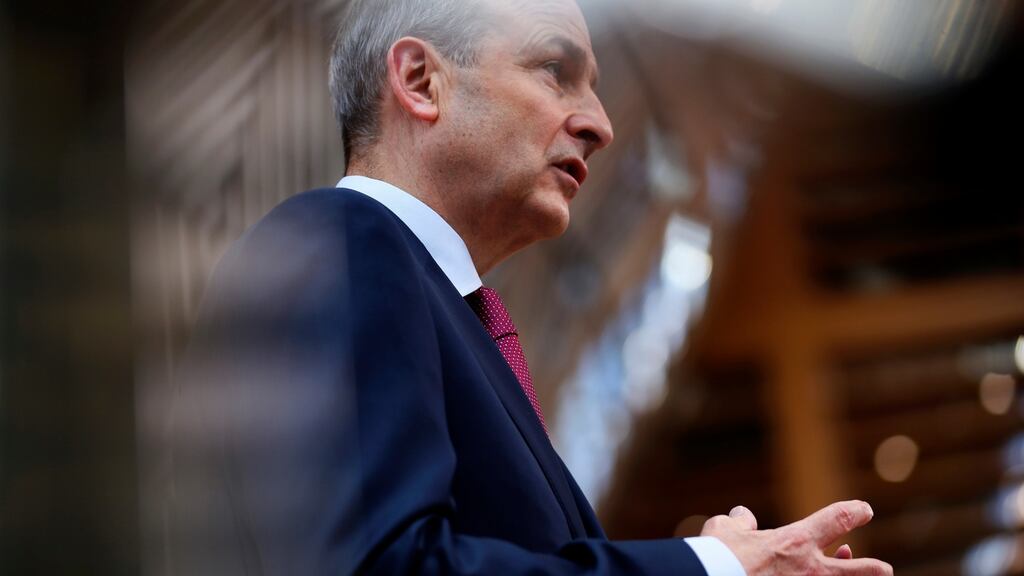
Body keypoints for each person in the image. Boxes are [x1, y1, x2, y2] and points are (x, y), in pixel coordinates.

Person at [169, 0, 893, 574]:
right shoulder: (339, 243)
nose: (602, 125)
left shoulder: (449, 316)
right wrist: (707, 567)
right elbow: (389, 567)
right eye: (556, 69)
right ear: (421, 80)